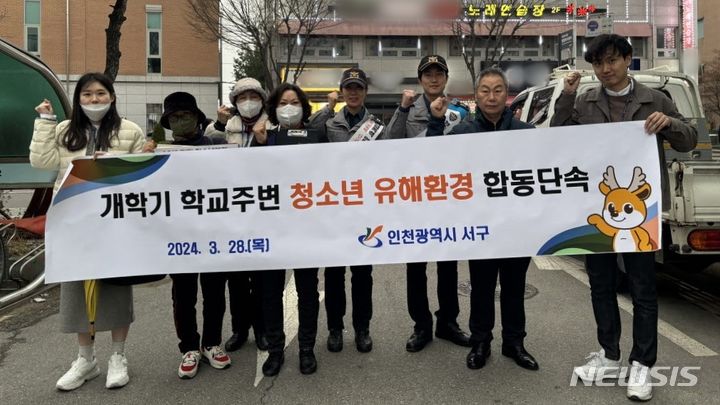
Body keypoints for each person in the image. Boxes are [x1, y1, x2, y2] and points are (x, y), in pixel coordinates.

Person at [551, 34, 697, 402]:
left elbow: (689, 140)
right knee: (600, 284)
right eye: (598, 63)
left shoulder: (655, 99)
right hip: (596, 210)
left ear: (628, 60)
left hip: (640, 214)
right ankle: (610, 355)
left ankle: (642, 365)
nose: (605, 69)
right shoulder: (585, 101)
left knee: (643, 289)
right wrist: (566, 96)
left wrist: (668, 124)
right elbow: (557, 138)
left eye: (612, 61)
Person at [30, 72, 145, 390]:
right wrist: (44, 122)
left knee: (116, 289)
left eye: (100, 94)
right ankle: (86, 359)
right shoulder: (65, 130)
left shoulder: (129, 130)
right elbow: (42, 163)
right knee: (77, 291)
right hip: (73, 221)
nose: (94, 100)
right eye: (87, 95)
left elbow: (143, 174)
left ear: (112, 97)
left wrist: (117, 164)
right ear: (78, 100)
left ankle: (118, 357)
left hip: (115, 222)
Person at [426, 67, 539, 372]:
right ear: (476, 95)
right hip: (481, 228)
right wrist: (436, 123)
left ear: (507, 95)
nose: (492, 96)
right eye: (485, 90)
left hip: (516, 227)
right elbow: (434, 161)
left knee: (515, 288)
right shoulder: (463, 133)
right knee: (482, 287)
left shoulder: (525, 133)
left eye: (498, 90)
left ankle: (514, 343)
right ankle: (481, 342)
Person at [386, 54, 471, 352]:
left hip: (448, 197)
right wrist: (402, 108)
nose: (434, 79)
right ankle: (421, 325)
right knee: (416, 266)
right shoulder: (410, 108)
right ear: (420, 79)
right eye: (428, 74)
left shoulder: (459, 109)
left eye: (439, 73)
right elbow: (389, 143)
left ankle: (448, 322)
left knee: (448, 265)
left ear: (446, 78)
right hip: (417, 196)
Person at [252, 83, 327, 376]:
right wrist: (258, 144)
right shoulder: (264, 138)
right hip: (272, 228)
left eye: (295, 102)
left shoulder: (318, 137)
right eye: (283, 102)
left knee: (308, 291)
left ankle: (306, 348)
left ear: (304, 108)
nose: (289, 107)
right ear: (274, 108)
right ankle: (274, 349)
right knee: (270, 292)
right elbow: (247, 176)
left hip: (307, 227)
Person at [160, 92, 231, 379]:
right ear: (167, 122)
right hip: (179, 236)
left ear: (198, 118)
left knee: (214, 291)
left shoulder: (216, 146)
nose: (180, 121)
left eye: (185, 115)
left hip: (213, 233)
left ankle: (211, 343)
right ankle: (189, 347)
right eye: (174, 118)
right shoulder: (160, 152)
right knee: (183, 295)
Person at [307, 68, 376, 353]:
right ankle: (335, 328)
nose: (353, 92)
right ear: (341, 91)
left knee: (362, 277)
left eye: (358, 87)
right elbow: (309, 133)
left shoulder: (375, 125)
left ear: (365, 92)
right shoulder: (329, 123)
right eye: (348, 87)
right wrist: (328, 107)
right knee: (334, 276)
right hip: (333, 211)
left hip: (363, 212)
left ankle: (362, 329)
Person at [205, 77, 269, 352]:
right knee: (237, 280)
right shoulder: (223, 128)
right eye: (242, 98)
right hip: (231, 214)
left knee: (263, 279)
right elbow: (204, 149)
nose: (248, 102)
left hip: (263, 212)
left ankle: (264, 329)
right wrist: (218, 123)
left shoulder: (272, 124)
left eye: (253, 96)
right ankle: (240, 329)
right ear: (234, 103)